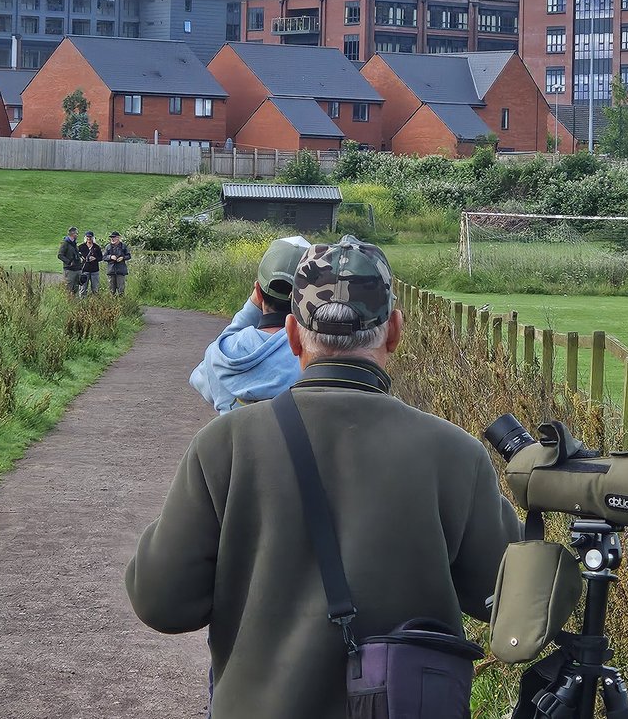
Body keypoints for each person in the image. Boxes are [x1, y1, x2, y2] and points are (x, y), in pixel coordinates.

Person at [126, 235, 521, 718]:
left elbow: (162, 602)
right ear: (394, 331)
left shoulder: (225, 445)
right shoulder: (457, 454)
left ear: (292, 336)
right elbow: (507, 603)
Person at [188, 235, 310, 414]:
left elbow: (200, 379)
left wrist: (250, 310)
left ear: (258, 292)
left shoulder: (221, 354)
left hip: (232, 442)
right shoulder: (311, 358)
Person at [57, 226, 83, 295]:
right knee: (69, 289)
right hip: (69, 270)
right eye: (76, 234)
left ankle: (76, 304)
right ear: (73, 234)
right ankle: (69, 303)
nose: (77, 235)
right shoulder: (65, 243)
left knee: (76, 289)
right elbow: (60, 255)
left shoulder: (75, 243)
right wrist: (69, 262)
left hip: (77, 269)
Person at [78, 231, 103, 297]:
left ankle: (95, 303)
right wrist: (82, 258)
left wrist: (95, 258)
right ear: (85, 238)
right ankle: (82, 303)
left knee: (95, 289)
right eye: (87, 237)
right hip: (84, 270)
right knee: (83, 289)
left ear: (93, 238)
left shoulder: (96, 247)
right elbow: (77, 257)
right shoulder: (81, 247)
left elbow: (101, 257)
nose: (89, 238)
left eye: (90, 237)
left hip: (94, 271)